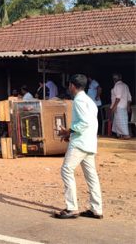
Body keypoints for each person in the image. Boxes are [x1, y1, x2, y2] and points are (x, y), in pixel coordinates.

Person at [55, 74, 102, 219]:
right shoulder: (89, 100)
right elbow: (90, 123)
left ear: (72, 86)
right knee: (91, 176)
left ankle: (72, 208)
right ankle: (96, 209)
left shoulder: (79, 100)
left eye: (69, 85)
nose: (69, 88)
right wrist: (70, 133)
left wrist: (68, 131)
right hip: (89, 142)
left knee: (66, 170)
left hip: (80, 143)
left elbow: (84, 122)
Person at [110, 73, 132, 139]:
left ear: (114, 79)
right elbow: (129, 98)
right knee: (119, 120)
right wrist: (128, 106)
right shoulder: (125, 85)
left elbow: (118, 98)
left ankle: (126, 135)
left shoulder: (118, 86)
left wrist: (113, 107)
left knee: (121, 121)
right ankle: (120, 135)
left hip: (119, 106)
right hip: (124, 106)